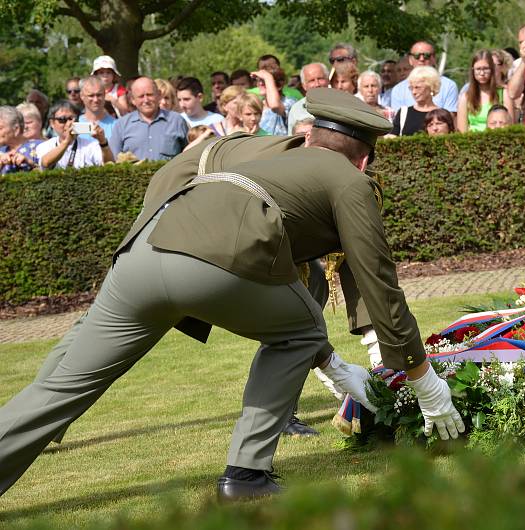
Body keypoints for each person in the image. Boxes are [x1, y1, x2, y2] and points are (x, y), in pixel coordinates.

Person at [0, 88, 464, 500]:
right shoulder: (352, 181)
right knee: (303, 331)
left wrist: (135, 254)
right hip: (217, 263)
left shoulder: (252, 148)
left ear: (307, 136)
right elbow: (377, 281)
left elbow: (172, 177)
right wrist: (422, 380)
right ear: (364, 160)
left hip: (143, 254)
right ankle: (246, 475)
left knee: (59, 387)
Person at [109, 77, 188, 161]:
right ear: (133, 100)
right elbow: (113, 160)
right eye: (141, 96)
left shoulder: (177, 121)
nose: (146, 100)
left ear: (159, 95)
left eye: (150, 95)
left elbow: (189, 156)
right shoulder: (122, 125)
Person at [36, 100, 113, 169]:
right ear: (52, 123)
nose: (68, 123)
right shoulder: (44, 146)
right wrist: (66, 142)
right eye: (62, 120)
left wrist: (103, 142)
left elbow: (109, 165)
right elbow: (46, 163)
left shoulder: (90, 145)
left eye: (72, 119)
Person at [389, 41, 459, 113]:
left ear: (434, 58)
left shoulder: (449, 86)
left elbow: (450, 118)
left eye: (427, 56)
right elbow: (398, 120)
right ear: (410, 60)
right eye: (417, 56)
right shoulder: (398, 90)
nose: (422, 59)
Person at [457, 50, 513, 132]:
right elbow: (462, 132)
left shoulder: (504, 94)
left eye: (486, 69)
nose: (482, 73)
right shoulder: (465, 98)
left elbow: (511, 126)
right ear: (473, 71)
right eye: (478, 69)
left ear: (492, 69)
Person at [389, 66, 440, 136]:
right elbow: (392, 138)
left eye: (417, 87)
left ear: (431, 87)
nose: (414, 92)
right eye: (411, 88)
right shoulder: (404, 113)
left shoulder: (441, 114)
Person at [287, 62, 329, 133]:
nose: (317, 84)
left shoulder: (341, 104)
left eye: (320, 78)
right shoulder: (296, 109)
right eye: (311, 80)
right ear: (304, 86)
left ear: (328, 80)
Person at [0, 106, 40, 174]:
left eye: (0, 128)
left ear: (16, 129)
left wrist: (29, 163)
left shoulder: (40, 147)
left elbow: (51, 175)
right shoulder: (1, 151)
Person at [78, 76, 117, 142]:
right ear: (82, 96)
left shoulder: (116, 125)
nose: (95, 100)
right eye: (91, 95)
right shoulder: (76, 124)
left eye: (99, 95)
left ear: (104, 94)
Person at [257, 68, 294, 136]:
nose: (260, 84)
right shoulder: (257, 103)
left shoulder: (289, 102)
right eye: (259, 80)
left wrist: (267, 77)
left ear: (279, 85)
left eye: (264, 81)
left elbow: (275, 106)